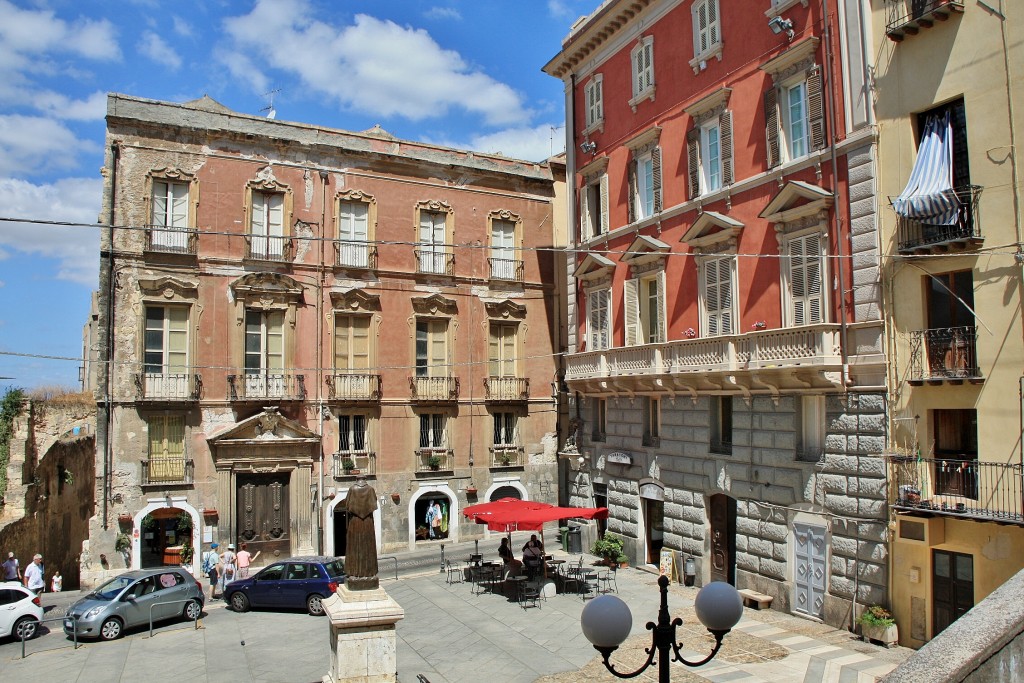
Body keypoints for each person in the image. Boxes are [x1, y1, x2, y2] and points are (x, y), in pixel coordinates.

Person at [345, 476, 379, 591]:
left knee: (354, 547)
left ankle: (354, 573)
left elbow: (348, 505)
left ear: (356, 480)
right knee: (368, 547)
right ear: (365, 480)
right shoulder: (370, 489)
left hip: (355, 522)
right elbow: (374, 505)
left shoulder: (352, 489)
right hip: (368, 523)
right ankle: (370, 573)